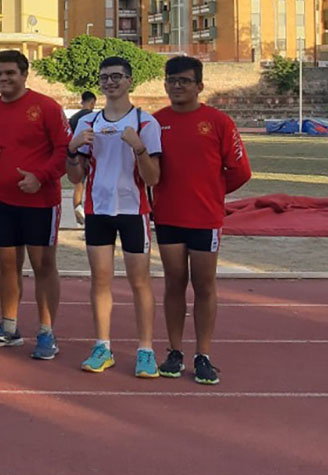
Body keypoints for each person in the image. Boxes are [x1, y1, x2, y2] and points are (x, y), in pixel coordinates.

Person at [152, 56, 252, 385]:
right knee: (174, 283)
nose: (177, 86)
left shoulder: (219, 122)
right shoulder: (155, 123)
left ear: (199, 86)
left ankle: (203, 355)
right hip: (168, 218)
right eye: (171, 80)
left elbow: (240, 171)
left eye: (184, 81)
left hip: (205, 219)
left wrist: (212, 193)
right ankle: (175, 352)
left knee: (204, 286)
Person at [67, 56, 162, 377]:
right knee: (101, 280)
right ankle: (102, 346)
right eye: (105, 77)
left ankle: (146, 350)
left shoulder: (145, 122)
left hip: (134, 211)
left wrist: (139, 149)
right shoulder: (86, 123)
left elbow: (153, 179)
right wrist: (72, 149)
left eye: (117, 76)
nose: (110, 82)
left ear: (129, 80)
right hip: (98, 211)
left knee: (139, 282)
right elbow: (73, 176)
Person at [0, 50, 68, 361]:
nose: (3, 79)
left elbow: (63, 150)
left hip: (40, 201)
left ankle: (46, 332)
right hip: (3, 201)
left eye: (10, 73)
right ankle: (9, 328)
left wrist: (40, 177)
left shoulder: (46, 107)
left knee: (43, 267)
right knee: (8, 265)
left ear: (25, 74)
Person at [68, 91, 98, 225]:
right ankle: (87, 212)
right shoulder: (93, 117)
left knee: (78, 185)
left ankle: (78, 213)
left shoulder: (74, 118)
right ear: (92, 102)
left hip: (74, 154)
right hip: (87, 154)